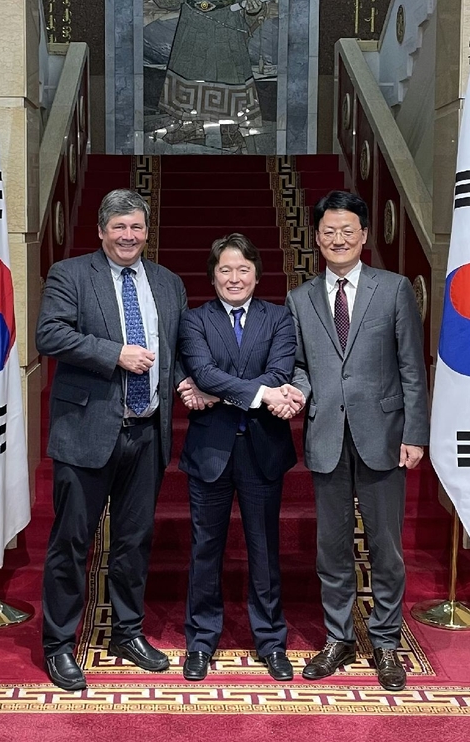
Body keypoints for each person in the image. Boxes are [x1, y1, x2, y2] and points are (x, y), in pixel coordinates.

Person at [35, 188, 195, 691]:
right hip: (86, 432)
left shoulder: (168, 283)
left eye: (137, 227)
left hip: (146, 433)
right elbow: (49, 334)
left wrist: (188, 382)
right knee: (71, 542)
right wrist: (115, 353)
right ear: (102, 231)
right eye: (119, 227)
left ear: (147, 231)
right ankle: (59, 645)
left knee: (133, 542)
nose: (129, 235)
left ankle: (127, 633)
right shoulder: (70, 275)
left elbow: (177, 350)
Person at [283, 190, 429, 691]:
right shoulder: (300, 298)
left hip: (383, 436)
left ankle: (386, 640)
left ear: (364, 235)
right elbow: (300, 365)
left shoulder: (393, 289)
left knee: (386, 547)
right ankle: (338, 638)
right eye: (329, 231)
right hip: (326, 434)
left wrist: (415, 433)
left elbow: (412, 367)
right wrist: (297, 394)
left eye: (348, 231)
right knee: (332, 547)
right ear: (317, 237)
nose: (338, 239)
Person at [175, 233, 302, 682]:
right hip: (210, 451)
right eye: (225, 270)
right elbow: (202, 371)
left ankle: (271, 641)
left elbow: (281, 371)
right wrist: (259, 394)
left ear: (256, 275)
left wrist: (217, 391)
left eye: (243, 269)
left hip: (262, 449)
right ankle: (200, 641)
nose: (234, 278)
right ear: (213, 277)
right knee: (205, 548)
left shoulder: (279, 318)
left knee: (264, 549)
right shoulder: (194, 320)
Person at [150, 0, 266, 149]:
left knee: (229, 74)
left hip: (226, 19)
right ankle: (190, 126)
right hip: (192, 19)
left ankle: (230, 128)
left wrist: (253, 6)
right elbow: (172, 0)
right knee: (188, 72)